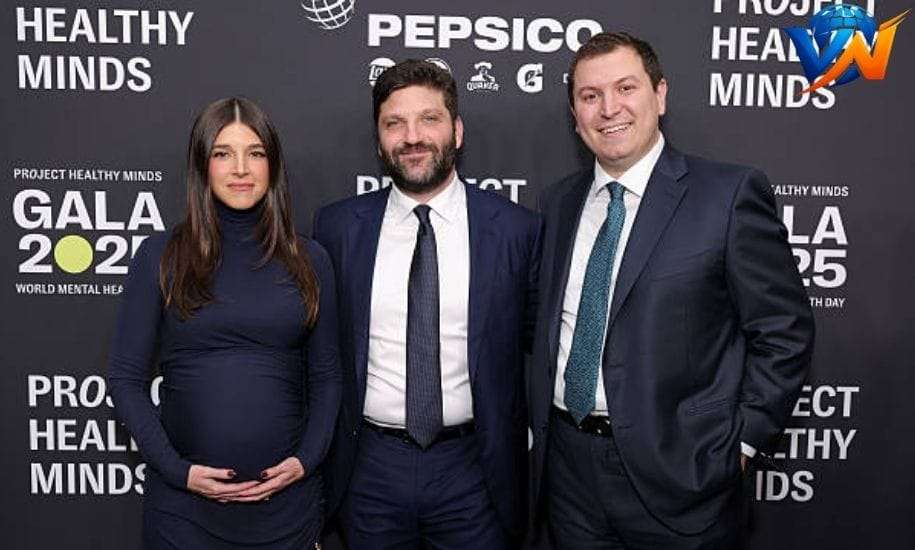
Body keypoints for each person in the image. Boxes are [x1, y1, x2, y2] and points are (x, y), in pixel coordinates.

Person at [529, 32, 815, 548]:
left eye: (626, 88)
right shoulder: (559, 202)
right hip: (568, 474)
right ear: (575, 114)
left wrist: (741, 445)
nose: (608, 108)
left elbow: (783, 330)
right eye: (590, 96)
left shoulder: (727, 195)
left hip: (684, 475)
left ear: (659, 95)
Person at [313, 60, 540, 549]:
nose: (412, 137)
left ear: (457, 131)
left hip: (475, 469)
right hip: (369, 469)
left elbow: (534, 345)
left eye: (429, 119)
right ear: (379, 141)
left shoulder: (515, 230)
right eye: (395, 123)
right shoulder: (337, 229)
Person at [108, 97, 340, 549]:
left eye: (255, 153)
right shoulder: (161, 256)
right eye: (222, 153)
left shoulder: (310, 260)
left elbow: (328, 376)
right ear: (202, 165)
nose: (240, 169)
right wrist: (177, 471)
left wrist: (306, 461)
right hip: (184, 512)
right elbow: (125, 378)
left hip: (288, 509)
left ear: (273, 165)